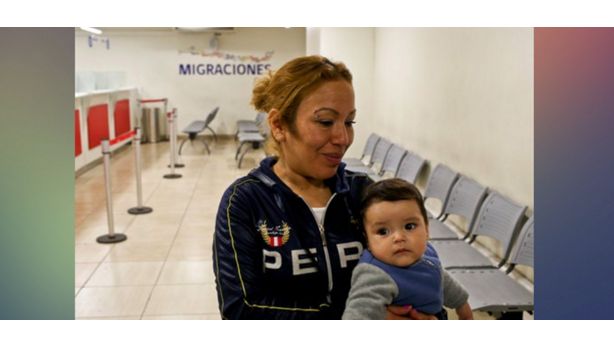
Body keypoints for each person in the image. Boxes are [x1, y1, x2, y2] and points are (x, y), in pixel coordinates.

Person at [213, 55, 370, 319]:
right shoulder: (244, 202)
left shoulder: (363, 194)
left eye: (349, 122)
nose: (343, 138)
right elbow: (241, 310)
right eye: (325, 121)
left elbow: (415, 273)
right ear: (279, 125)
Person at [342, 178, 474, 320]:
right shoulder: (375, 274)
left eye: (409, 226)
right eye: (383, 232)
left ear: (427, 229)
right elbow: (356, 315)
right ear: (367, 240)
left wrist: (462, 305)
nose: (399, 237)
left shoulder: (424, 252)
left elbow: (439, 277)